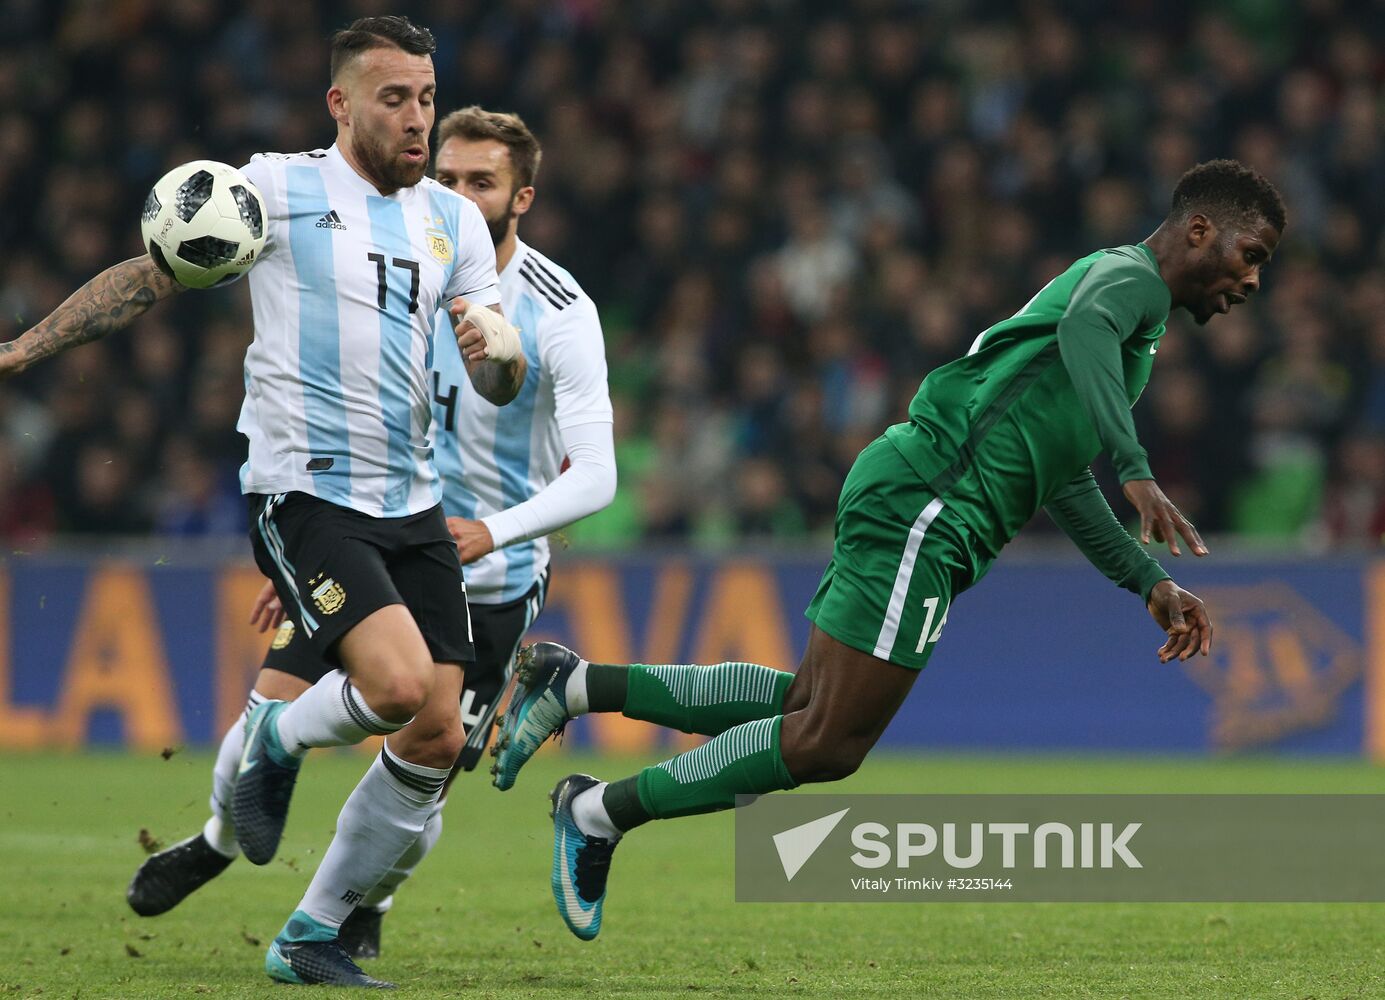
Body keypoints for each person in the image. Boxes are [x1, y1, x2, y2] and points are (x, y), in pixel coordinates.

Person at [490, 159, 1285, 941]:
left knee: (808, 706)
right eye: (1249, 255)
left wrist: (1144, 579)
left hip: (920, 496)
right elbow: (1083, 332)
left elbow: (1062, 473)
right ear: (1198, 229)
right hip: (930, 504)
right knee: (828, 743)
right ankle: (597, 813)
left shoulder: (1129, 326)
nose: (1251, 282)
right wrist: (1139, 472)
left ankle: (574, 682)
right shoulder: (1131, 283)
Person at [1, 16, 526, 989]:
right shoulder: (274, 190)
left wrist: (503, 355)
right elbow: (148, 280)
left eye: (426, 97)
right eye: (393, 99)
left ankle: (303, 928)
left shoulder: (451, 221)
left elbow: (496, 365)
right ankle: (274, 747)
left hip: (413, 505)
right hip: (306, 493)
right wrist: (22, 351)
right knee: (400, 686)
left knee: (438, 734)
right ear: (340, 103)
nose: (417, 120)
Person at [125, 106, 617, 961]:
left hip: (488, 576)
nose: (457, 193)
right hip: (364, 528)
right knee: (257, 728)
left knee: (425, 761)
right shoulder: (407, 265)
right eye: (448, 177)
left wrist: (492, 533)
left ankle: (350, 911)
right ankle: (216, 839)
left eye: (481, 182)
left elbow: (598, 475)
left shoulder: (559, 311)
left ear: (521, 197)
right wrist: (307, 545)